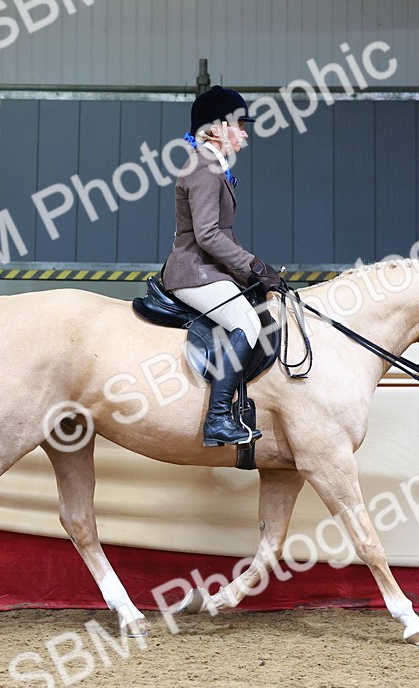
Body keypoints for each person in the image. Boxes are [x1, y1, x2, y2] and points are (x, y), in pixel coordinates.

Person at [161, 85, 285, 447]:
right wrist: (253, 268)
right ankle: (217, 419)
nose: (245, 131)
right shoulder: (203, 166)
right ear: (215, 129)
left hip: (208, 269)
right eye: (239, 124)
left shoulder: (213, 163)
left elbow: (223, 235)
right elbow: (208, 236)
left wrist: (255, 271)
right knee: (246, 324)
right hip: (193, 270)